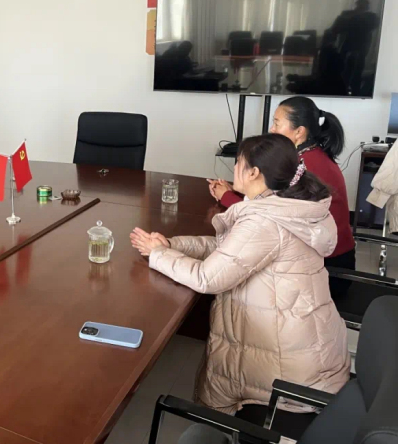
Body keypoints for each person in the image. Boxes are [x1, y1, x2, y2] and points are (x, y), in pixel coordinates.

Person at [131, 134, 350, 414]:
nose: (233, 169)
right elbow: (230, 251)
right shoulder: (288, 207)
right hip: (309, 347)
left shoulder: (264, 221)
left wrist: (159, 255)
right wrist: (172, 246)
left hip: (287, 369)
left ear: (254, 172)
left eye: (237, 163)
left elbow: (207, 278)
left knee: (216, 394)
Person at [210, 96, 356, 297]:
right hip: (316, 256)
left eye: (277, 123)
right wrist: (236, 191)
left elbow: (273, 214)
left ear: (299, 131)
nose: (272, 129)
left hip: (328, 270)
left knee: (235, 274)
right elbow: (275, 197)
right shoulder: (308, 155)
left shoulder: (305, 166)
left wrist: (227, 197)